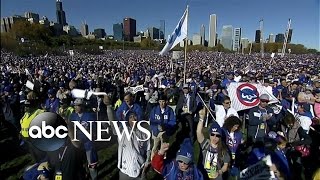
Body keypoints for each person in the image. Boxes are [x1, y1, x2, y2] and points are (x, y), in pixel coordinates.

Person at [115, 111, 151, 180]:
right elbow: (114, 126)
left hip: (139, 169)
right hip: (125, 170)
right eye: (130, 117)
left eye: (135, 116)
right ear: (127, 120)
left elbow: (148, 149)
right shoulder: (123, 131)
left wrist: (146, 164)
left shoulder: (144, 133)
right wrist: (109, 107)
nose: (133, 119)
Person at [197, 108, 230, 180]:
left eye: (217, 135)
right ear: (209, 134)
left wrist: (219, 172)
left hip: (216, 177)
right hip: (203, 175)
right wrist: (201, 119)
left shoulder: (223, 149)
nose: (214, 137)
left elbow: (225, 165)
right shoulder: (206, 144)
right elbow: (199, 132)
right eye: (212, 134)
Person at [149, 94, 176, 160]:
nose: (161, 103)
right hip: (156, 131)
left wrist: (166, 127)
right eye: (160, 101)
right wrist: (156, 128)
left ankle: (163, 160)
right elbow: (151, 121)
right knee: (155, 146)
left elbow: (173, 121)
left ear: (166, 102)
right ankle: (153, 160)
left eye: (163, 101)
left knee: (164, 147)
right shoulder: (155, 110)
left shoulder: (169, 110)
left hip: (165, 131)